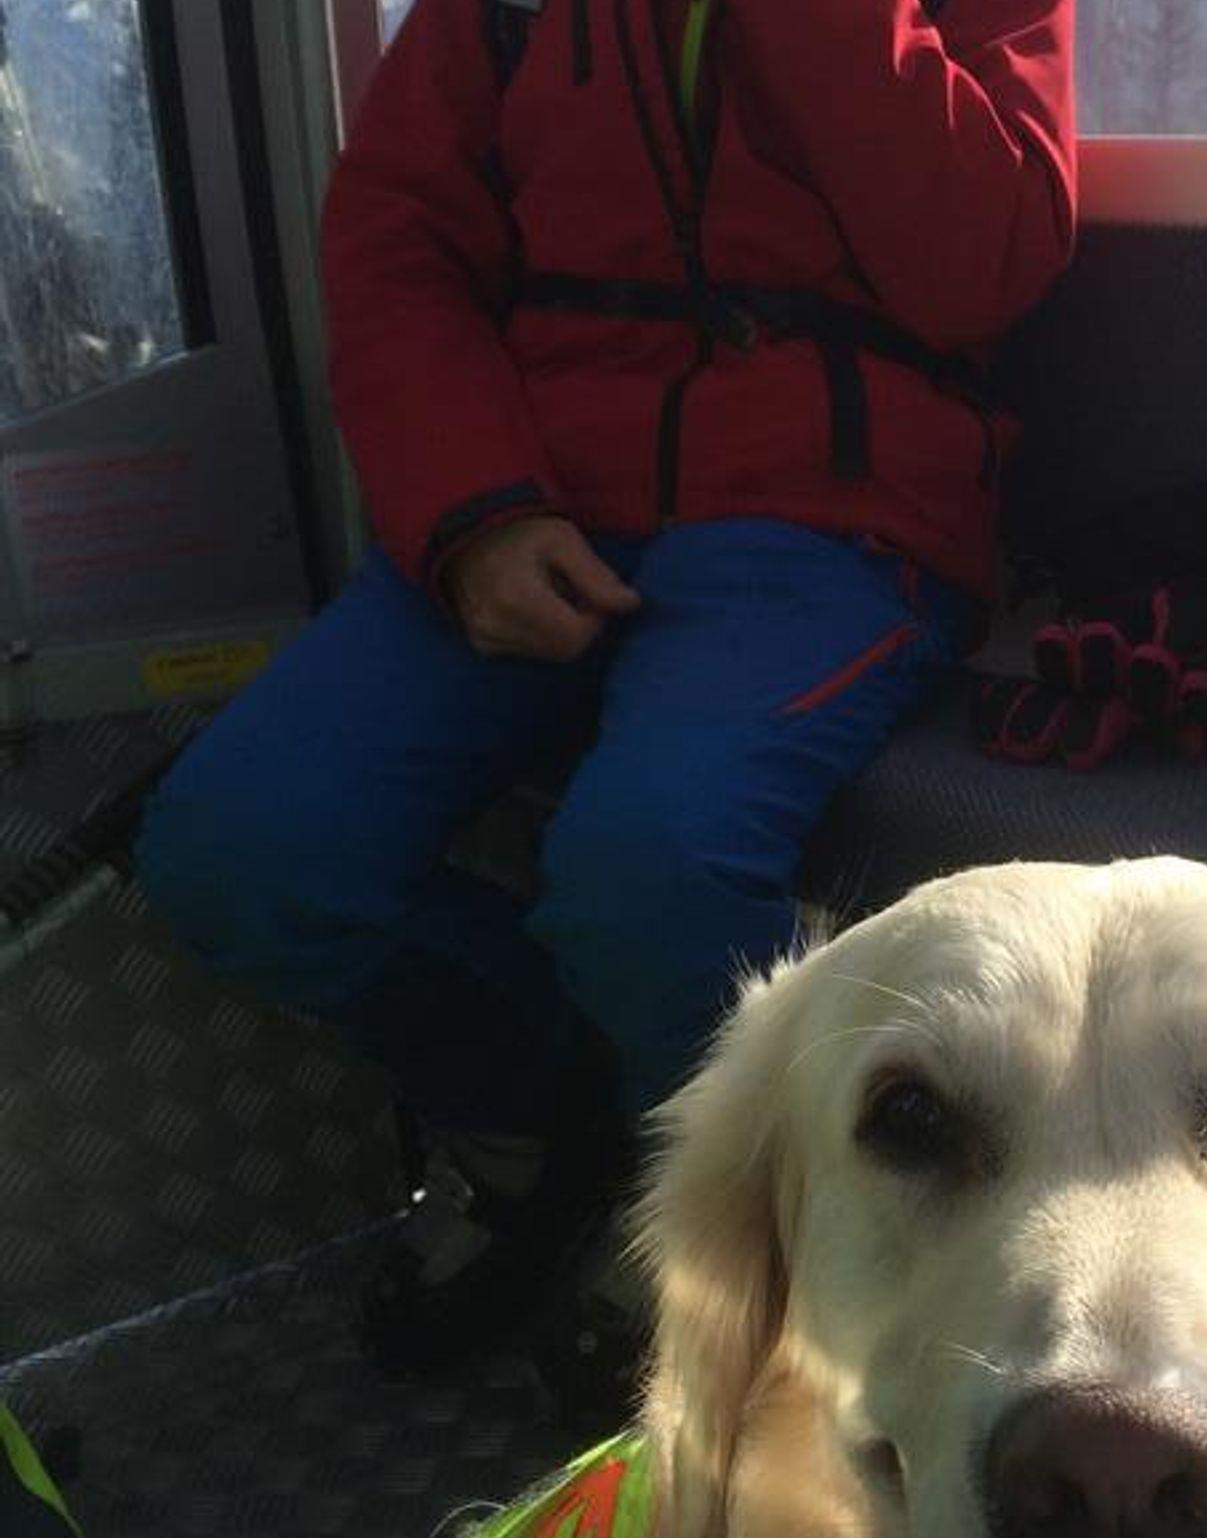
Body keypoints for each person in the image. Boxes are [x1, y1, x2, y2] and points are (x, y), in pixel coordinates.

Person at [135, 0, 1075, 1420]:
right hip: (533, 501)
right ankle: (556, 1127)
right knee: (237, 848)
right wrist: (474, 511)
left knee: (648, 869)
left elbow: (982, 263)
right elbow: (399, 246)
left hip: (827, 521)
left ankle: (762, 1263)